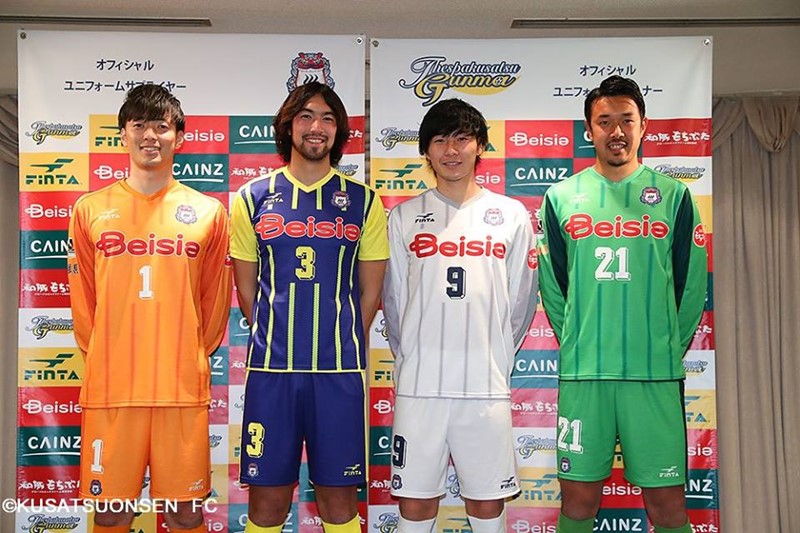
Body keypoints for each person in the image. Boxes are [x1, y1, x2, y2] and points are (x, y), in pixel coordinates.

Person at [537, 75, 708, 533]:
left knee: (667, 506)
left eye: (627, 120)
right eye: (605, 121)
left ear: (643, 126)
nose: (617, 131)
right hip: (585, 375)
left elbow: (691, 286)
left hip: (653, 375)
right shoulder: (560, 198)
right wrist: (579, 339)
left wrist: (664, 346)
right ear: (589, 130)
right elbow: (553, 286)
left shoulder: (674, 196)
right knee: (578, 502)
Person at [67, 83, 232, 533]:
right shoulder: (90, 209)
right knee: (111, 512)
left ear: (179, 137)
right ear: (123, 134)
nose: (150, 136)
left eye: (162, 126)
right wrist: (106, 355)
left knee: (185, 513)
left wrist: (189, 354)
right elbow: (83, 299)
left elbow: (214, 299)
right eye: (139, 125)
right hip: (113, 388)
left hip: (179, 390)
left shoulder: (208, 212)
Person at [230, 81, 388, 533]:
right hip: (271, 372)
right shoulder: (251, 197)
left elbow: (370, 295)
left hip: (338, 372)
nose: (316, 127)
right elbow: (246, 291)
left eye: (328, 118)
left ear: (339, 132)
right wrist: (279, 335)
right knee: (267, 504)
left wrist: (337, 338)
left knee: (339, 504)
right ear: (288, 126)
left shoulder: (364, 201)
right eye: (306, 116)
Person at [382, 99, 538, 533]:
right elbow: (394, 303)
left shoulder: (511, 215)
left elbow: (521, 303)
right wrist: (414, 355)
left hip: (484, 385)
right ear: (426, 151)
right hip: (420, 386)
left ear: (480, 145)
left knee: (487, 502)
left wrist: (492, 352)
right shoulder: (404, 216)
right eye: (439, 140)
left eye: (462, 139)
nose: (451, 150)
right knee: (415, 501)